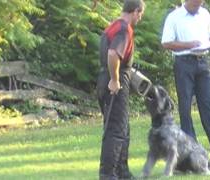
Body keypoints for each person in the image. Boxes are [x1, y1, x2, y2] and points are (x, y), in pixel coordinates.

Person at [161, 0, 210, 151]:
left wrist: (207, 43)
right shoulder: (174, 17)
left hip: (202, 61)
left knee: (208, 103)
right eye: (195, 4)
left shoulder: (204, 14)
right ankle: (190, 144)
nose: (198, 7)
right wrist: (189, 45)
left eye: (200, 4)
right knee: (185, 104)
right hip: (184, 62)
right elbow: (166, 42)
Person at [96, 0, 145, 179]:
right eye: (140, 14)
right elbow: (113, 54)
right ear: (136, 11)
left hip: (103, 78)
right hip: (113, 80)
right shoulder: (124, 29)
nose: (140, 18)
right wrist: (115, 80)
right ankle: (109, 174)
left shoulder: (113, 26)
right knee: (116, 130)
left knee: (122, 128)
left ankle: (123, 172)